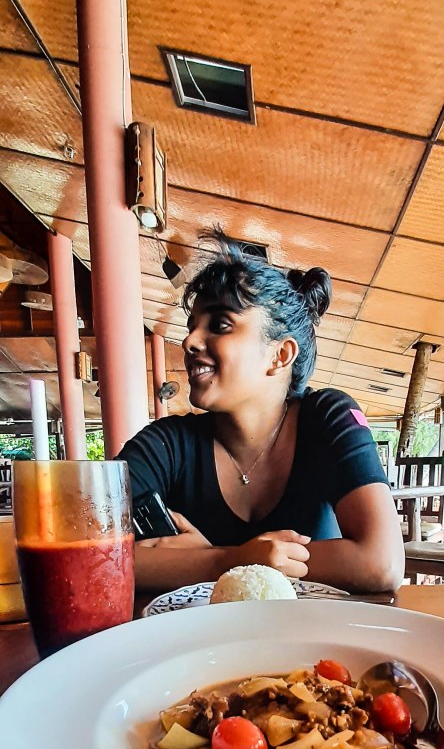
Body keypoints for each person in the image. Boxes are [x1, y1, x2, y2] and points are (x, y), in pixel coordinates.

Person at [118, 229, 404, 593]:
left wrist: (204, 560)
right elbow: (89, 554)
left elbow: (381, 563)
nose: (189, 341)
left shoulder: (327, 418)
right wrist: (231, 560)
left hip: (313, 629)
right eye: (192, 328)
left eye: (220, 325)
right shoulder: (166, 445)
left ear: (280, 355)